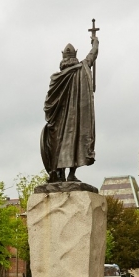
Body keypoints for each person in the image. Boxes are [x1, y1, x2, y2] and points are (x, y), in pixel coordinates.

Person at [40, 31, 98, 183]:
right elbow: (91, 57)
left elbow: (48, 104)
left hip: (59, 122)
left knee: (60, 145)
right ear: (75, 55)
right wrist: (95, 43)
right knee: (75, 143)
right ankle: (69, 174)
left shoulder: (56, 78)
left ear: (63, 58)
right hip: (75, 119)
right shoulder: (81, 68)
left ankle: (60, 174)